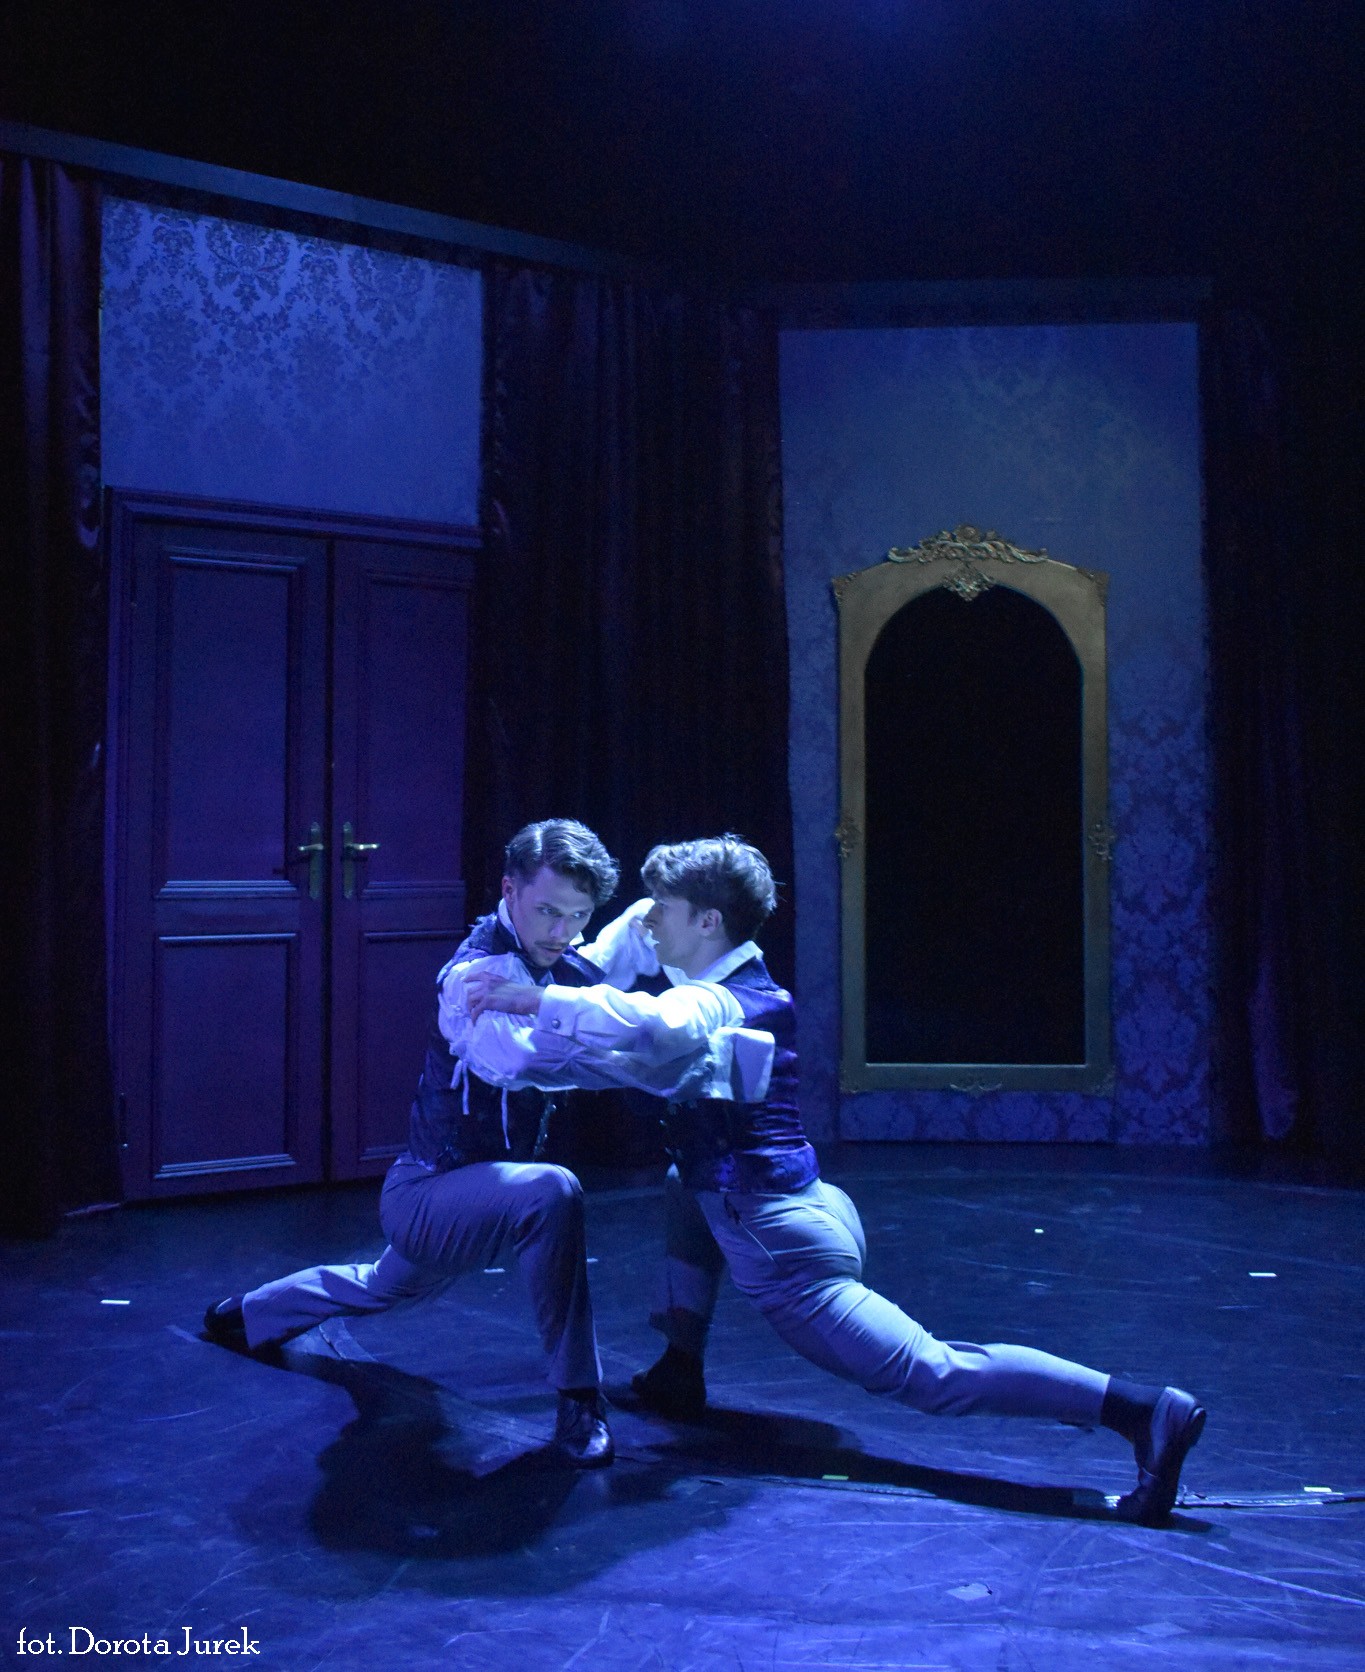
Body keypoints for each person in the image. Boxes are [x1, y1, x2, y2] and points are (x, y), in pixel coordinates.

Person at [459, 834, 1208, 1525]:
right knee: (686, 1180)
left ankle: (1142, 1411)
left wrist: (538, 998)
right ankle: (678, 1367)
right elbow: (639, 961)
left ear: (709, 922)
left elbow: (654, 1027)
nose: (648, 920)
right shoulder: (727, 970)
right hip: (803, 1205)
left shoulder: (716, 999)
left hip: (785, 1246)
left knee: (934, 1374)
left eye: (665, 909)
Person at [204, 819, 633, 1467]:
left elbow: (615, 946)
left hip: (485, 1196)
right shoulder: (473, 978)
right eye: (548, 911)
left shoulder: (560, 957)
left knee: (384, 1286)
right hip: (429, 1193)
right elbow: (520, 1063)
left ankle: (248, 1314)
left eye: (577, 916)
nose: (561, 932)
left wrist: (656, 918)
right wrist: (648, 1060)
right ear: (509, 890)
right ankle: (579, 1400)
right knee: (554, 1191)